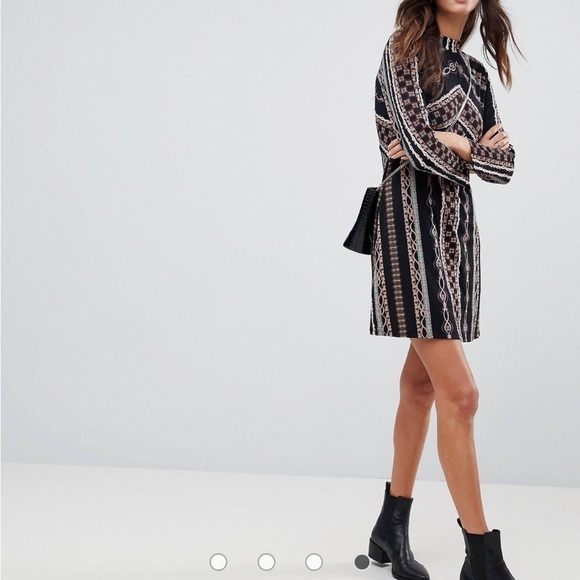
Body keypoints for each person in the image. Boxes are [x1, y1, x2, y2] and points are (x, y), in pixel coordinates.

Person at [366, 1, 523, 579]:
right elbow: (411, 145)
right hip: (408, 231)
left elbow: (505, 166)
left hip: (457, 241)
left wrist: (458, 146)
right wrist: (467, 150)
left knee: (420, 388)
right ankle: (482, 557)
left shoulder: (476, 73)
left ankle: (390, 527)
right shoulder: (403, 51)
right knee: (461, 395)